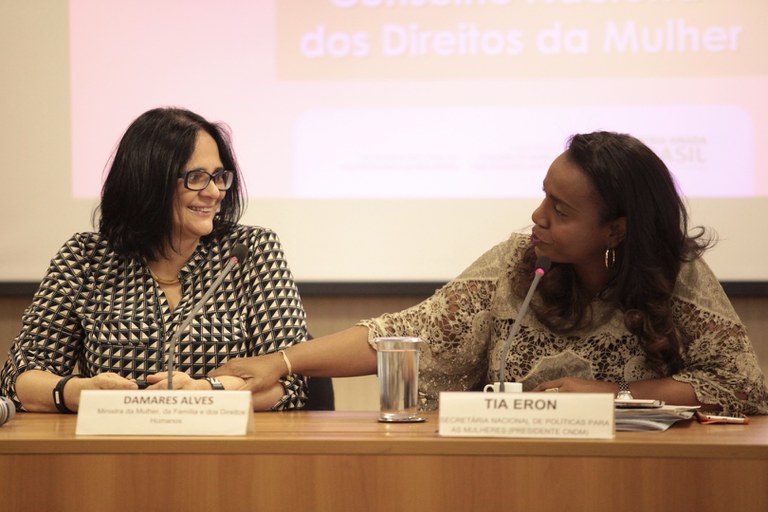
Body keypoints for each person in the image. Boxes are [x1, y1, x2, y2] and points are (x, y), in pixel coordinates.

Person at [212, 131, 768, 416]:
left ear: (616, 231)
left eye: (562, 211)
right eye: (543, 197)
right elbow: (418, 331)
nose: (538, 217)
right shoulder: (519, 261)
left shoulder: (677, 275)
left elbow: (741, 385)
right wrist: (281, 362)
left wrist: (612, 394)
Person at [0, 107, 307, 412]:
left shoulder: (248, 251)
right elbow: (19, 377)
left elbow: (289, 384)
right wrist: (79, 391)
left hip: (224, 450)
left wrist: (206, 393)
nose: (214, 192)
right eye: (197, 177)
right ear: (149, 181)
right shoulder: (86, 258)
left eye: (218, 177)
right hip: (114, 450)